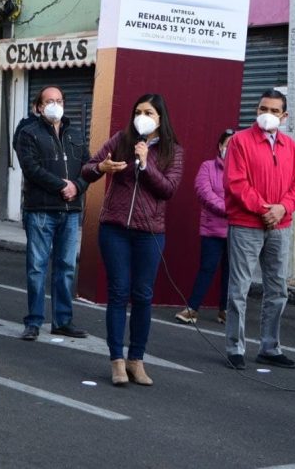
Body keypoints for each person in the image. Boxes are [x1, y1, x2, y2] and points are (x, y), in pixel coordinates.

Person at [82, 93, 184, 386]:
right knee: (118, 292)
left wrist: (146, 164)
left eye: (149, 113)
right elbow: (88, 168)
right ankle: (116, 360)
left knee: (142, 295)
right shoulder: (120, 140)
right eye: (138, 111)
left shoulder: (173, 151)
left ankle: (136, 359)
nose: (142, 117)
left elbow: (168, 189)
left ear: (160, 119)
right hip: (114, 229)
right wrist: (102, 168)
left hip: (149, 233)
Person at [223, 88, 295, 371]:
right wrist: (264, 209)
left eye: (273, 110)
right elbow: (236, 183)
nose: (267, 114)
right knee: (239, 289)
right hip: (246, 224)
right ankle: (235, 347)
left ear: (284, 116)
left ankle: (270, 347)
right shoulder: (239, 141)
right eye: (262, 109)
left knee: (278, 288)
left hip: (280, 225)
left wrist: (282, 208)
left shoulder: (291, 147)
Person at [15, 86, 90, 341]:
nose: (54, 105)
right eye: (49, 101)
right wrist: (62, 186)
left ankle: (63, 321)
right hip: (41, 210)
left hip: (70, 211)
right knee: (37, 268)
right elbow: (31, 168)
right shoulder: (29, 133)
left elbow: (88, 167)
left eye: (58, 100)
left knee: (66, 267)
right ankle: (34, 321)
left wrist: (77, 186)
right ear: (39, 107)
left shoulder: (75, 134)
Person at [175, 129, 234, 326]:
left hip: (237, 229)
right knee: (207, 268)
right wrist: (230, 210)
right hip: (213, 229)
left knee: (231, 272)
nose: (230, 149)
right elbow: (204, 193)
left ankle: (225, 310)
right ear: (220, 146)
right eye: (228, 145)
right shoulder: (208, 167)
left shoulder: (244, 170)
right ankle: (192, 309)